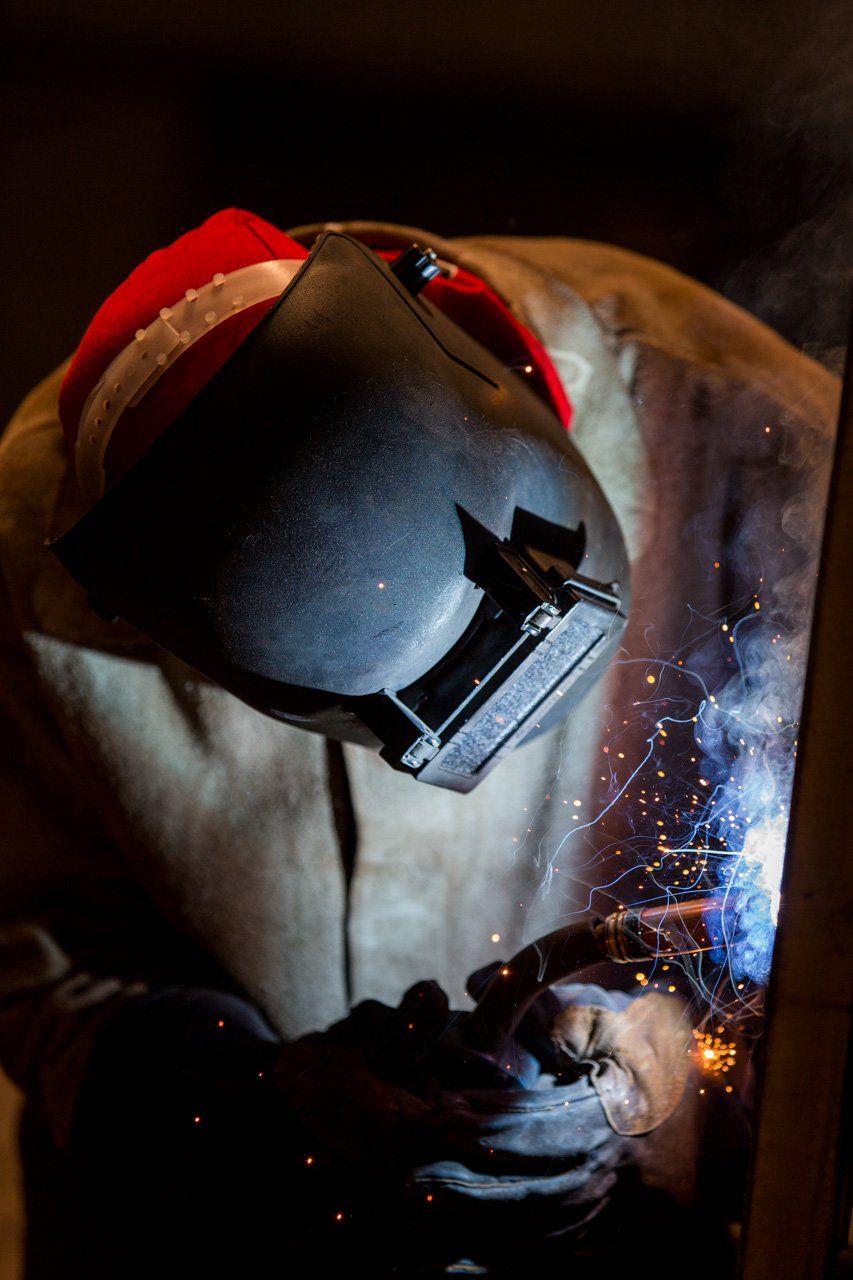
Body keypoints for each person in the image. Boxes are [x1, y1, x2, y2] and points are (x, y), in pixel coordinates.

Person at [0, 209, 838, 1278]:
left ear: (505, 367)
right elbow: (41, 941)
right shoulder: (37, 554)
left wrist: (655, 1074)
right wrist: (248, 1105)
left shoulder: (742, 429)